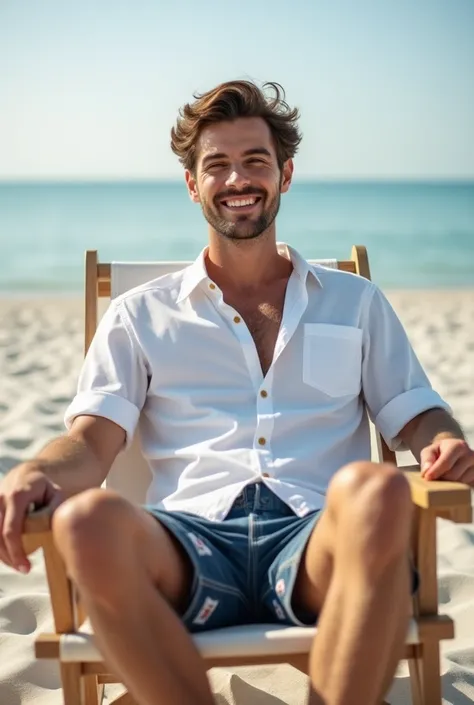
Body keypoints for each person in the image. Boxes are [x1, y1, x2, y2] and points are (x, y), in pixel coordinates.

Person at [1, 80, 473, 705]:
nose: (238, 179)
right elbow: (89, 443)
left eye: (255, 160)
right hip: (188, 545)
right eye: (216, 165)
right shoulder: (141, 315)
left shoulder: (354, 302)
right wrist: (36, 470)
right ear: (194, 184)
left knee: (380, 486)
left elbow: (415, 414)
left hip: (316, 544)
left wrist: (445, 440)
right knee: (86, 518)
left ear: (286, 173)